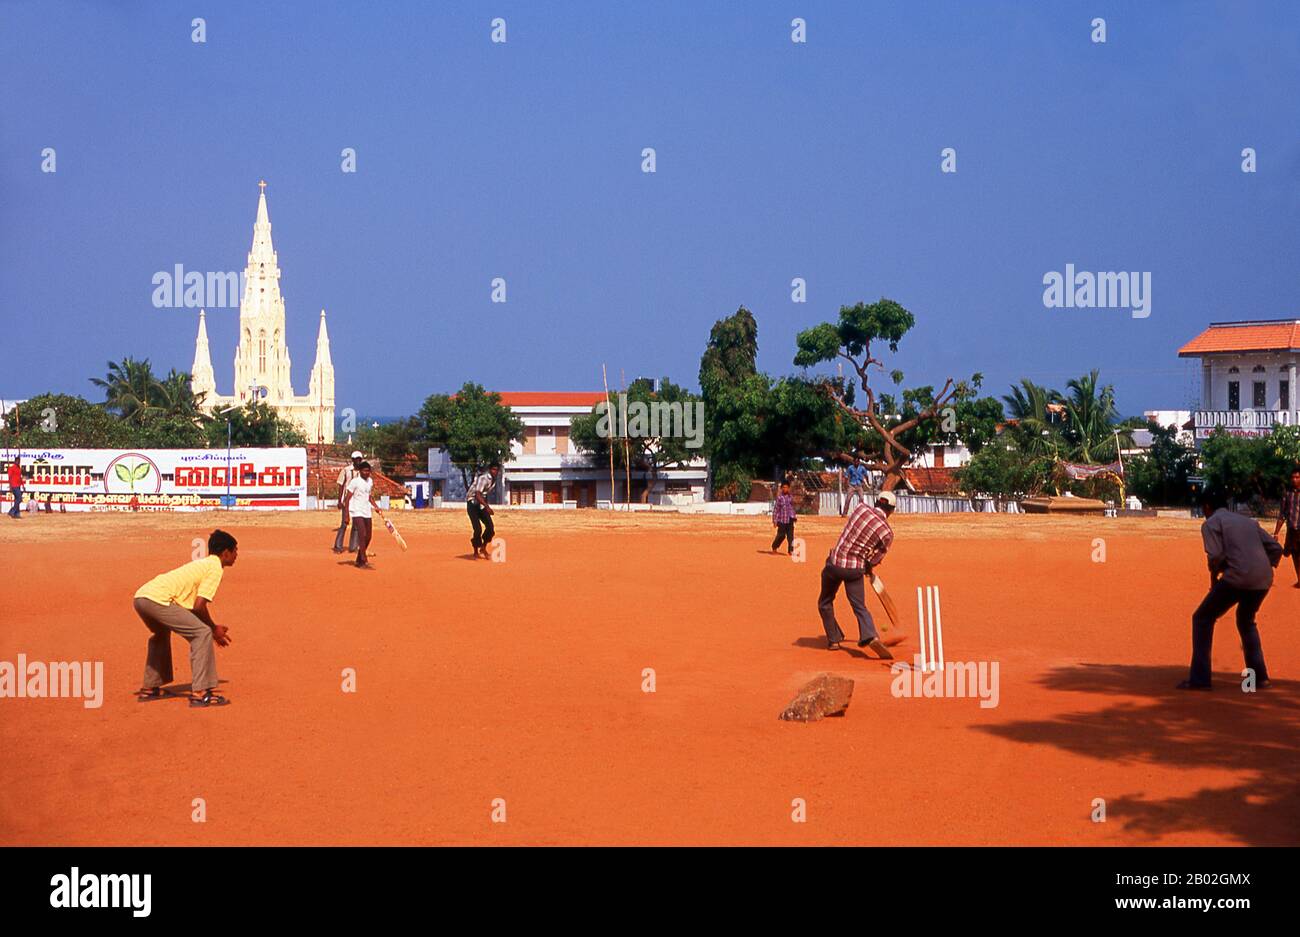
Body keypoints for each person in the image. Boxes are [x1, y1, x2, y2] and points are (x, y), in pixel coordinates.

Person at [1180, 488, 1280, 690]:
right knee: (1246, 621)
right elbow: (1276, 548)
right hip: (1263, 579)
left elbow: (1215, 556)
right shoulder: (1248, 521)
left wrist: (1216, 577)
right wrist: (1261, 566)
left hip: (1237, 577)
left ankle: (1200, 679)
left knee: (1202, 618)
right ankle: (1259, 677)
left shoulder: (1211, 523)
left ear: (1207, 507)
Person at [132, 530, 238, 707]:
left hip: (142, 598)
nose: (237, 555)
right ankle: (201, 693)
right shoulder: (215, 568)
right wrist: (213, 629)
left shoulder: (203, 563)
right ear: (225, 553)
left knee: (161, 633)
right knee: (202, 633)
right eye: (235, 550)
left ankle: (150, 688)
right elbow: (199, 606)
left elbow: (189, 607)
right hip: (157, 599)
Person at [818, 490, 899, 659]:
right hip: (855, 569)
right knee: (859, 606)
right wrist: (868, 568)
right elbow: (877, 556)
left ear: (877, 502)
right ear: (891, 511)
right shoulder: (887, 533)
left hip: (834, 563)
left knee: (825, 602)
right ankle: (870, 635)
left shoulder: (860, 509)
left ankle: (833, 640)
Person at [341, 461, 379, 569]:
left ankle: (358, 559)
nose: (366, 473)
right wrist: (347, 514)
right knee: (361, 534)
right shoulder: (355, 482)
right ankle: (363, 559)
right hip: (356, 511)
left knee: (368, 536)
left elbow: (369, 496)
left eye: (368, 471)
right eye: (364, 471)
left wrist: (376, 507)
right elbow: (347, 499)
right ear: (360, 471)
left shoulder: (370, 482)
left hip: (367, 510)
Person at [1272, 467, 1300, 588]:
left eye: (1297, 477)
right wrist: (1276, 533)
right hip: (1292, 529)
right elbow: (1282, 514)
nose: (1295, 479)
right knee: (1294, 554)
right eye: (1293, 477)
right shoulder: (1287, 494)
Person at [333, 451, 365, 553]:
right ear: (352, 460)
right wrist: (339, 501)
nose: (358, 461)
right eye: (356, 459)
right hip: (346, 500)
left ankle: (353, 546)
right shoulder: (346, 470)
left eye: (360, 459)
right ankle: (338, 546)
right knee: (344, 524)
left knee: (356, 525)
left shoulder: (362, 472)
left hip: (357, 501)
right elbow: (341, 485)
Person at [467, 463, 500, 559]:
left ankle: (483, 547)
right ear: (490, 469)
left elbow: (484, 495)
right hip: (472, 503)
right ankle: (475, 551)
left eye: (497, 470)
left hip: (481, 504)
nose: (495, 471)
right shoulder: (484, 478)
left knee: (490, 527)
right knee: (477, 529)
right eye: (493, 469)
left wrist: (485, 505)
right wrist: (487, 507)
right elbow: (477, 494)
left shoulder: (493, 480)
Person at [771, 481, 796, 554]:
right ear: (781, 488)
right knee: (781, 535)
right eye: (784, 487)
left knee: (790, 536)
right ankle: (774, 546)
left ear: (789, 488)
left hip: (790, 519)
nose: (785, 489)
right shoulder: (779, 498)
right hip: (782, 520)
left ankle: (790, 550)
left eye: (786, 487)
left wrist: (794, 517)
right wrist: (775, 521)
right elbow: (776, 509)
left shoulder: (791, 497)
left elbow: (792, 508)